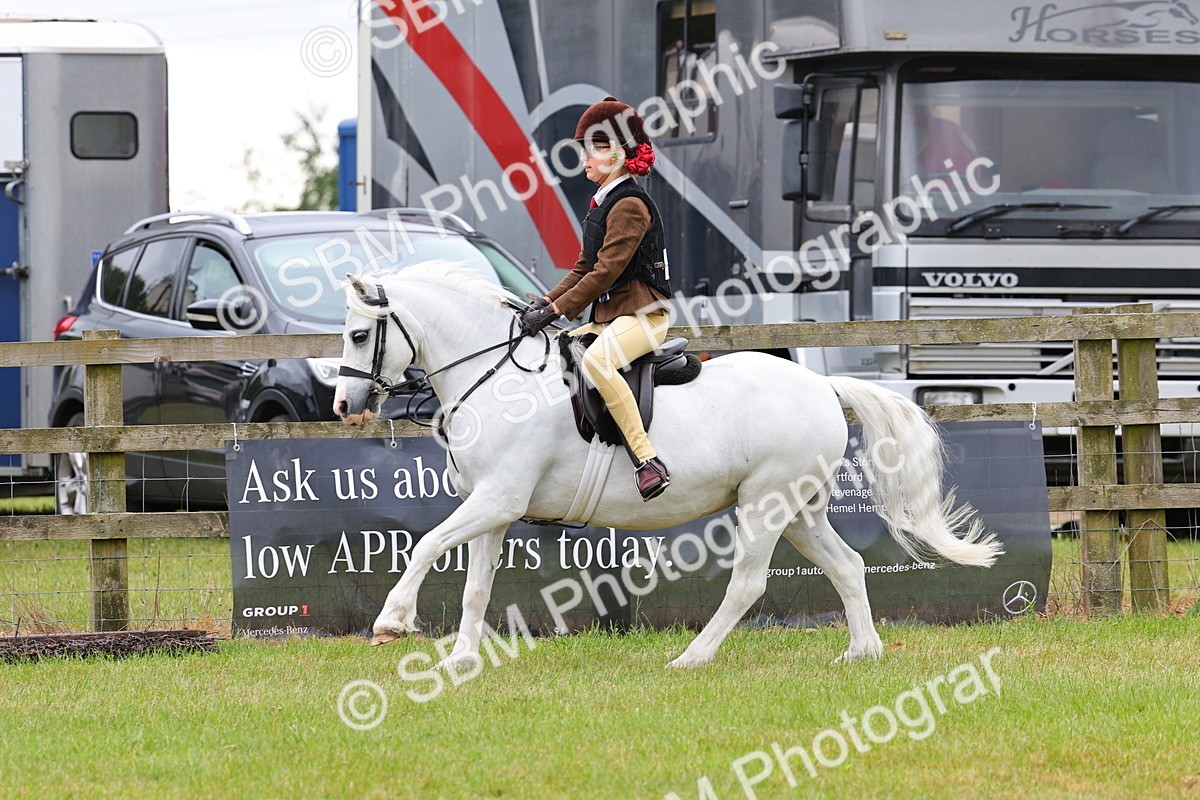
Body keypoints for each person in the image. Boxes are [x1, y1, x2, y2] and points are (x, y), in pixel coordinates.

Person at [520, 97, 673, 501]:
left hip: (644, 316)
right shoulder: (603, 204)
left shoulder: (629, 206)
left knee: (597, 360)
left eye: (596, 148)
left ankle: (646, 460)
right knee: (560, 347)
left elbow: (605, 272)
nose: (585, 158)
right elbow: (582, 266)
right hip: (612, 316)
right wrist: (544, 305)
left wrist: (557, 310)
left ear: (620, 155)